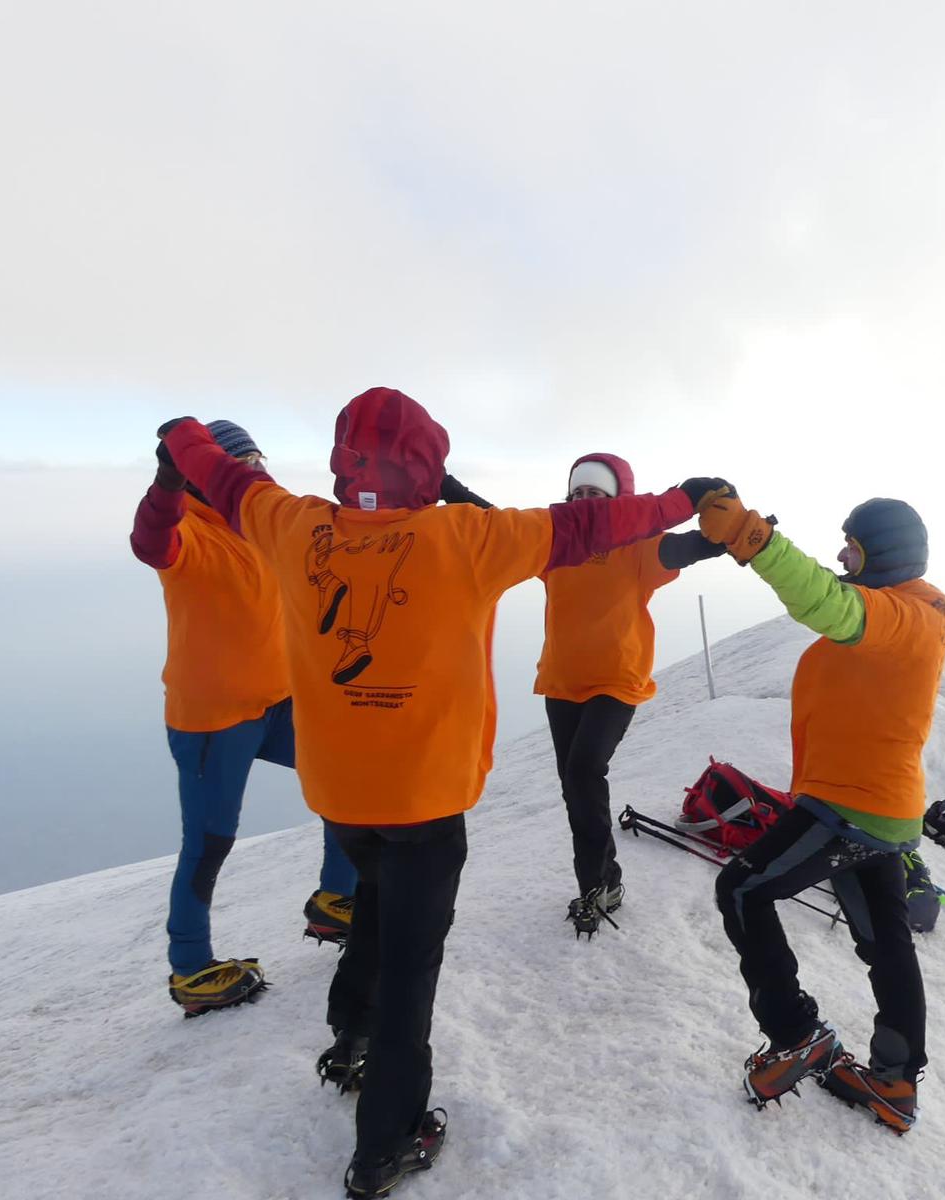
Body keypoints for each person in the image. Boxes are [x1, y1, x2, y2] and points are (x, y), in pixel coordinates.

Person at [156, 388, 724, 1197]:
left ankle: (348, 1032)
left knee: (376, 907)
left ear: (343, 462)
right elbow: (584, 529)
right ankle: (386, 1142)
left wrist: (179, 436)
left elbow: (227, 479)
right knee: (411, 971)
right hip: (423, 803)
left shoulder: (295, 525)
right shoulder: (467, 538)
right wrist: (679, 500)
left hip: (342, 799)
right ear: (426, 464)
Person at [698, 489, 945, 1134]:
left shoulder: (906, 615)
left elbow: (829, 605)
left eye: (854, 544)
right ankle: (895, 1082)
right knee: (884, 943)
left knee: (742, 890)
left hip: (853, 804)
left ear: (886, 553)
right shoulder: (908, 613)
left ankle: (796, 1035)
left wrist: (751, 538)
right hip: (878, 810)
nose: (842, 553)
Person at [132, 419, 358, 1016]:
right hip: (212, 720)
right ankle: (190, 970)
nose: (251, 471)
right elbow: (150, 541)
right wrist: (166, 481)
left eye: (257, 459)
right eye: (238, 462)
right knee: (208, 845)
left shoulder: (263, 525)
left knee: (347, 776)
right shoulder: (188, 530)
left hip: (276, 702)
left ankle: (338, 901)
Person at [534, 452, 727, 935]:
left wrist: (728, 527)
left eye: (594, 494)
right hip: (561, 682)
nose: (583, 503)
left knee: (583, 770)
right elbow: (494, 528)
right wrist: (447, 487)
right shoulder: (554, 543)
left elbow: (688, 547)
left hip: (616, 682)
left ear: (617, 500)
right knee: (575, 788)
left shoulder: (636, 548)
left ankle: (602, 885)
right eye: (576, 494)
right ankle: (600, 881)